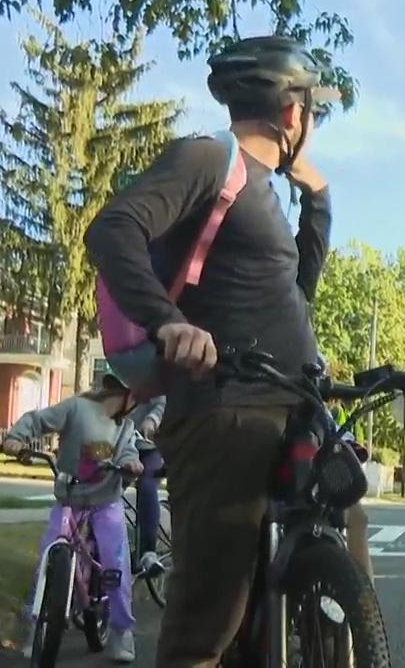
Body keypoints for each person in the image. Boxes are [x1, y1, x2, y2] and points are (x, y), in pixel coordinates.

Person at [85, 35, 350, 666]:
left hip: (293, 404)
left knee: (346, 530)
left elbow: (298, 292)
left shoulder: (267, 195)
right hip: (226, 408)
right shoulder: (209, 158)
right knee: (212, 613)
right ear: (293, 112)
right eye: (313, 110)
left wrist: (318, 200)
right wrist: (169, 322)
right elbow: (113, 229)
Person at [1, 370, 144, 662]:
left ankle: (121, 631)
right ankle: (35, 627)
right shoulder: (77, 408)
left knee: (115, 564)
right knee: (48, 557)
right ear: (126, 394)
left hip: (105, 503)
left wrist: (132, 464)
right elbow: (38, 420)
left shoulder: (125, 428)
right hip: (69, 500)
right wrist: (16, 438)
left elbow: (129, 453)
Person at [128, 395, 167, 576]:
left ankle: (148, 553)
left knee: (147, 485)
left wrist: (152, 420)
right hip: (121, 444)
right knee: (107, 484)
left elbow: (161, 402)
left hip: (149, 445)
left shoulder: (148, 379)